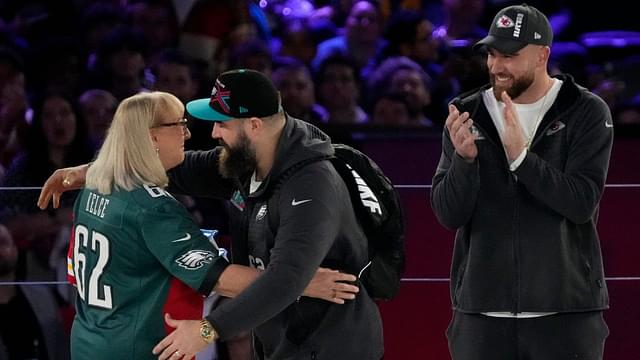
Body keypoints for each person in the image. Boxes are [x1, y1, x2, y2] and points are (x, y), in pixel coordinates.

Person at [37, 91, 358, 360]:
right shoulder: (152, 208)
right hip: (142, 349)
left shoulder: (94, 185)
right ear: (152, 137)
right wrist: (301, 283)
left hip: (89, 343)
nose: (189, 134)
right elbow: (221, 280)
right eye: (179, 125)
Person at [430, 4, 613, 360]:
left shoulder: (585, 111)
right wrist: (465, 163)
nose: (497, 67)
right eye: (492, 54)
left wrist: (522, 160)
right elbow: (448, 215)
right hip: (481, 316)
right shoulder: (467, 112)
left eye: (510, 56)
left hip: (565, 314)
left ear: (542, 55)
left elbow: (580, 203)